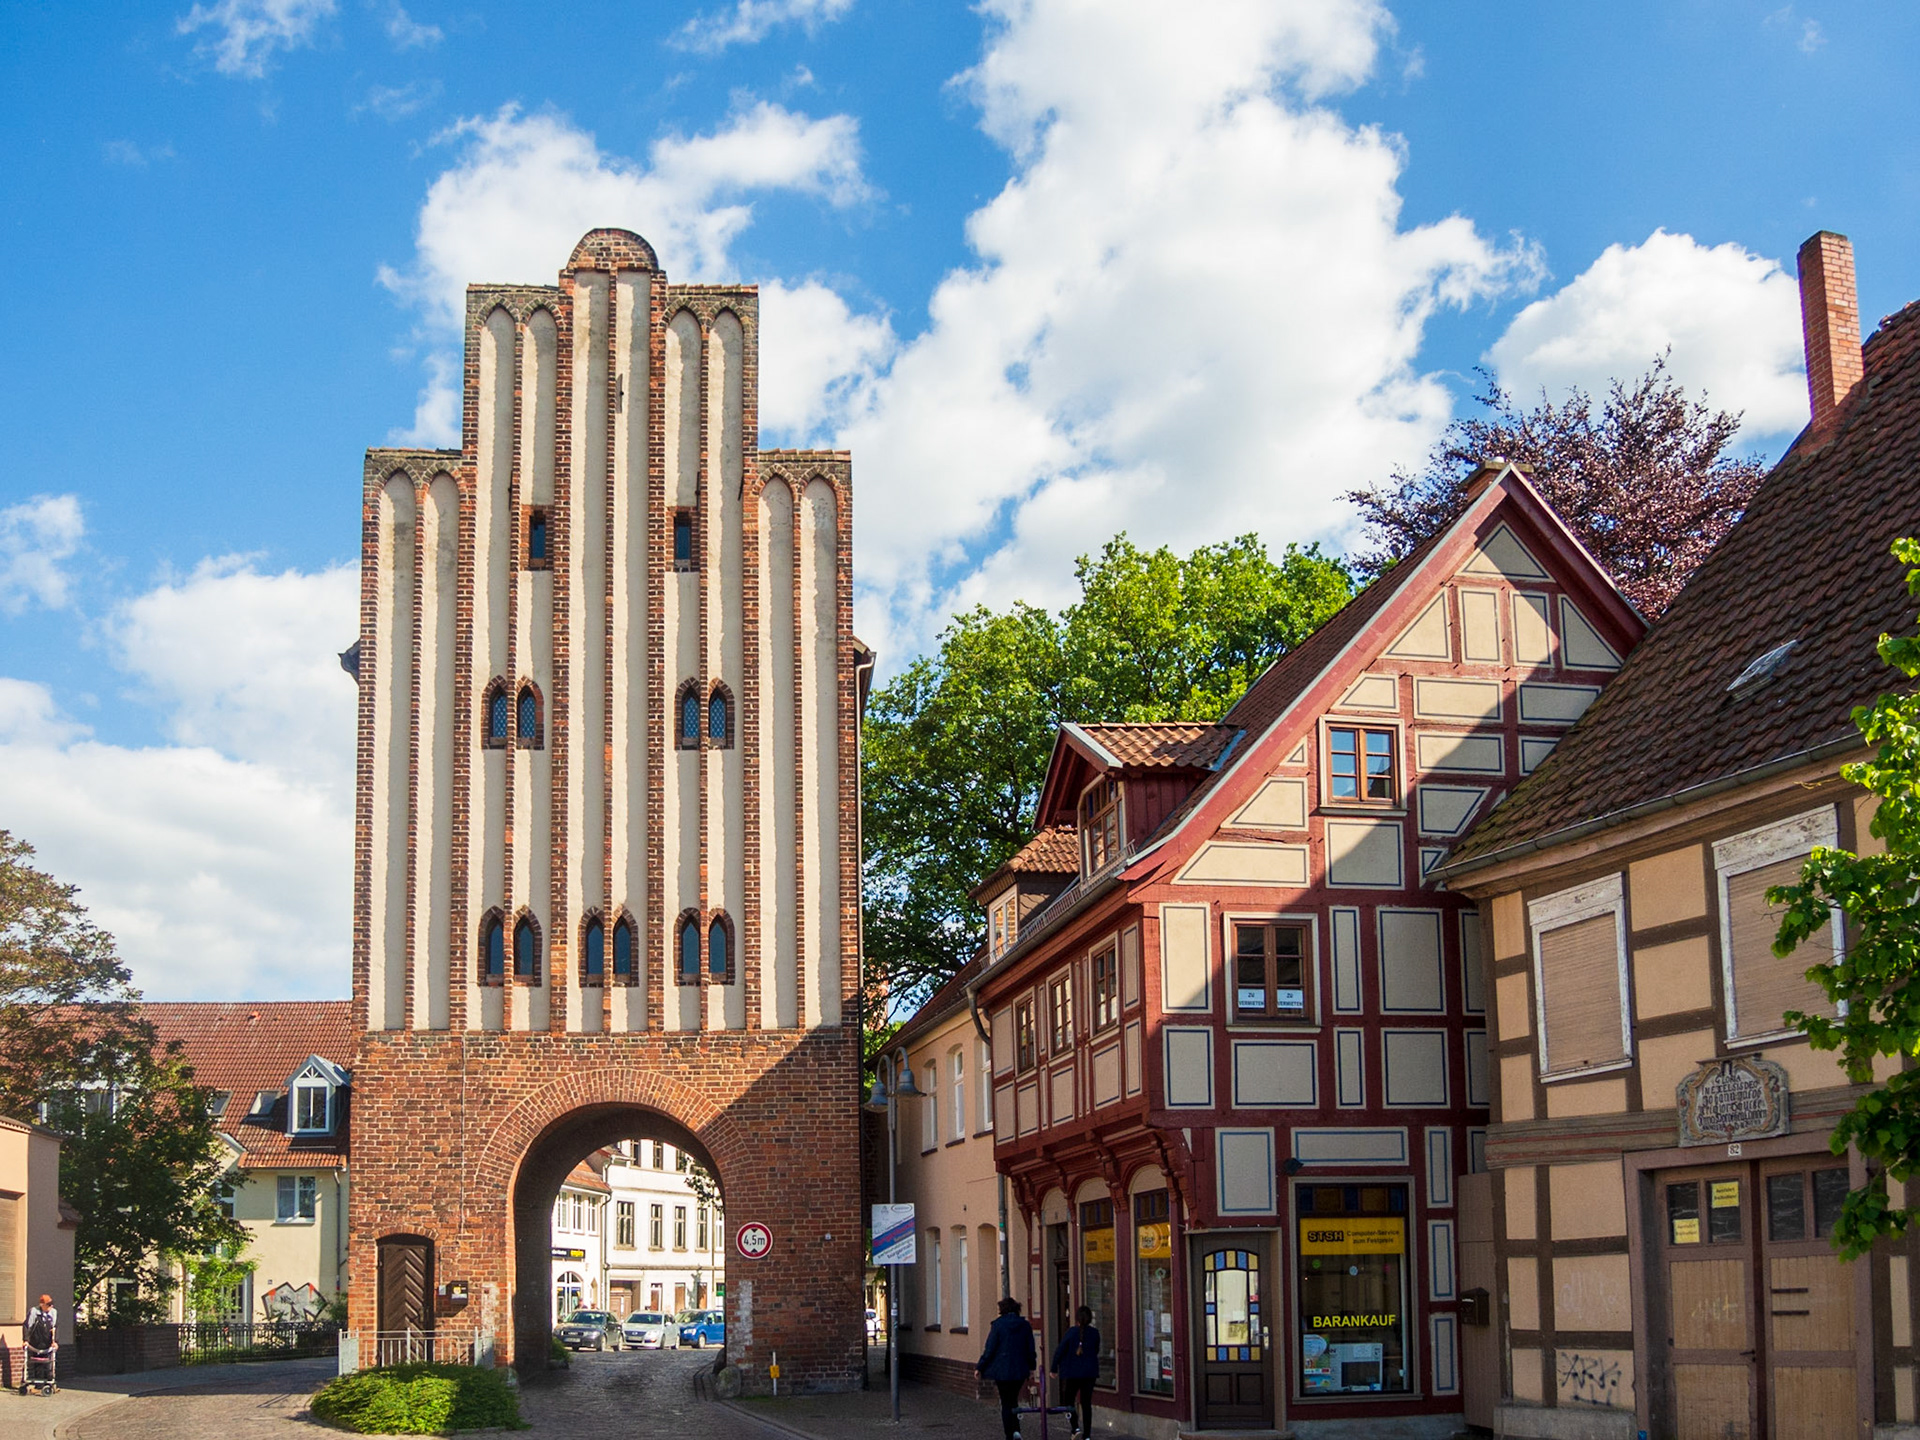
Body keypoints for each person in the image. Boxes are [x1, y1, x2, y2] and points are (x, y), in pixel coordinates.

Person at [976, 1296, 1037, 1440]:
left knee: (1006, 1402)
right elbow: (1030, 1349)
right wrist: (1031, 1367)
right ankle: (1016, 1430)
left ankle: (1010, 1435)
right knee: (1014, 1400)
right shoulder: (1025, 1325)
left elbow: (990, 1349)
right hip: (1019, 1370)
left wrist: (980, 1366)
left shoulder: (998, 1325)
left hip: (1002, 1370)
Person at [1051, 1304, 1100, 1438]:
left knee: (1069, 1400)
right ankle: (1087, 1434)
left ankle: (1075, 1427)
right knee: (1086, 1403)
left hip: (1072, 1372)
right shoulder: (1095, 1333)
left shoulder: (1071, 1332)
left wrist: (1053, 1368)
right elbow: (1096, 1350)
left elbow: (1060, 1350)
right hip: (1089, 1373)